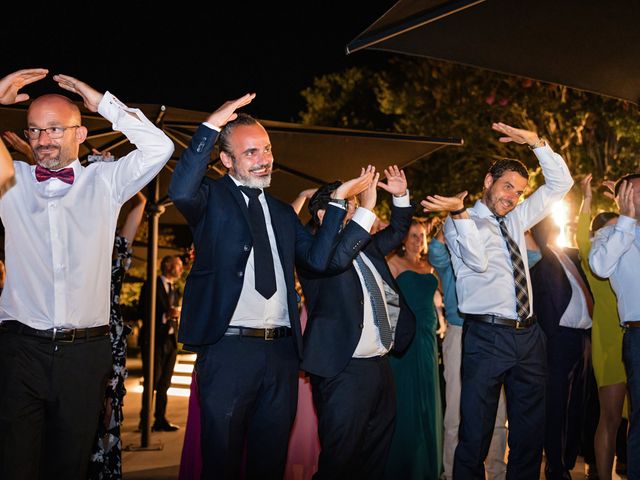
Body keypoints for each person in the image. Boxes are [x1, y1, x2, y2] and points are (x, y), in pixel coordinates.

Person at [168, 94, 374, 480]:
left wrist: (347, 207)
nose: (264, 158)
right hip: (228, 350)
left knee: (270, 461)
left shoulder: (281, 212)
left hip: (281, 354)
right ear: (226, 159)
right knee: (222, 462)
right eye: (250, 153)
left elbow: (319, 260)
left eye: (266, 149)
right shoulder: (209, 199)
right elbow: (180, 190)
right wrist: (210, 125)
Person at [0, 68, 174, 480]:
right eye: (36, 130)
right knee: (13, 465)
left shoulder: (106, 181)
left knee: (71, 467)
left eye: (56, 129)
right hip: (20, 350)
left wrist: (102, 104)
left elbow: (159, 147)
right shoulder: (11, 181)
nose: (43, 140)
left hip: (85, 355)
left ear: (80, 134)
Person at [422, 122, 573, 479]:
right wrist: (458, 214)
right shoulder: (461, 221)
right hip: (487, 337)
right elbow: (476, 261)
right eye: (508, 187)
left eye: (519, 192)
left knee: (529, 434)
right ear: (488, 181)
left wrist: (537, 143)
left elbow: (561, 185)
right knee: (475, 433)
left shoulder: (517, 216)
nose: (513, 197)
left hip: (528, 336)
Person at [298, 166, 416, 480]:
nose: (356, 217)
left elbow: (396, 231)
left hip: (379, 366)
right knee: (340, 461)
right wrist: (363, 207)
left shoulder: (366, 248)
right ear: (325, 214)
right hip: (343, 371)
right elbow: (334, 260)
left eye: (353, 210)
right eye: (348, 209)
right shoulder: (312, 253)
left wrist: (401, 196)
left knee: (376, 456)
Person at [428, 224, 509, 480]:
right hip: (460, 333)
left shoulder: (493, 256)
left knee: (497, 411)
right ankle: (453, 473)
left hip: (495, 334)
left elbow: (533, 256)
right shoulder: (450, 262)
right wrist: (453, 219)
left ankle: (496, 472)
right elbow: (435, 250)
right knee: (455, 409)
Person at [529, 215, 593, 480]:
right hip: (557, 339)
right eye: (550, 224)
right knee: (555, 404)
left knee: (575, 401)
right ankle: (555, 464)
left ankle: (567, 458)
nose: (555, 227)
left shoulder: (567, 254)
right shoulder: (540, 260)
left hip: (581, 337)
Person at [89, 191, 147, 479]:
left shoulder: (117, 250)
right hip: (82, 335)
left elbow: (141, 203)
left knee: (108, 411)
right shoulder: (77, 245)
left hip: (109, 336)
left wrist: (115, 177)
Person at [589, 173, 640, 480]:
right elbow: (600, 266)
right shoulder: (610, 235)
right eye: (633, 193)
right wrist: (625, 221)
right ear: (622, 199)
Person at [383, 217, 443, 479]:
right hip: (405, 340)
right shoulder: (392, 263)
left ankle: (426, 466)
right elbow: (384, 303)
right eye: (414, 236)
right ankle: (402, 465)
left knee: (427, 401)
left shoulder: (430, 267)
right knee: (406, 400)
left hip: (429, 340)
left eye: (422, 236)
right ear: (403, 240)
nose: (419, 241)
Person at [577, 173, 625, 480]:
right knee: (610, 418)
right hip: (609, 343)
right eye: (606, 234)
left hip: (633, 338)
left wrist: (622, 201)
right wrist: (588, 198)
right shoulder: (593, 258)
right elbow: (582, 236)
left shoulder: (629, 257)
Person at [138, 254, 184, 431]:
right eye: (177, 265)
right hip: (153, 341)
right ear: (166, 265)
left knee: (165, 383)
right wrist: (165, 315)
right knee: (151, 382)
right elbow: (142, 310)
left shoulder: (174, 289)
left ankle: (160, 419)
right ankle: (144, 422)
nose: (180, 269)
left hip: (170, 342)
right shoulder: (151, 285)